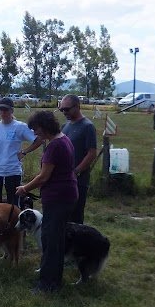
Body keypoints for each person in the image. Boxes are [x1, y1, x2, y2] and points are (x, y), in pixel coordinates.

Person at [15, 110, 78, 293]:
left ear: (44, 127)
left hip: (58, 199)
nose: (35, 133)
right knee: (56, 240)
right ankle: (53, 279)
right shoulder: (63, 139)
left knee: (50, 241)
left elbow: (43, 177)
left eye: (35, 129)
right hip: (65, 196)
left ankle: (48, 284)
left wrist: (24, 188)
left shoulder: (55, 146)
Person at [0, 97, 36, 206]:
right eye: (1, 109)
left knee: (14, 205)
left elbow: (39, 139)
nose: (3, 112)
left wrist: (25, 152)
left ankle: (13, 222)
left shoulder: (20, 127)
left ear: (12, 110)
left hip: (12, 171)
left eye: (6, 110)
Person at [57, 94, 97, 224]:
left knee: (76, 216)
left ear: (77, 106)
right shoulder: (65, 126)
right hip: (63, 180)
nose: (64, 112)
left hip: (78, 181)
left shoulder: (87, 126)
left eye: (67, 109)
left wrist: (76, 171)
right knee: (63, 215)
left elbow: (91, 153)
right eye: (61, 109)